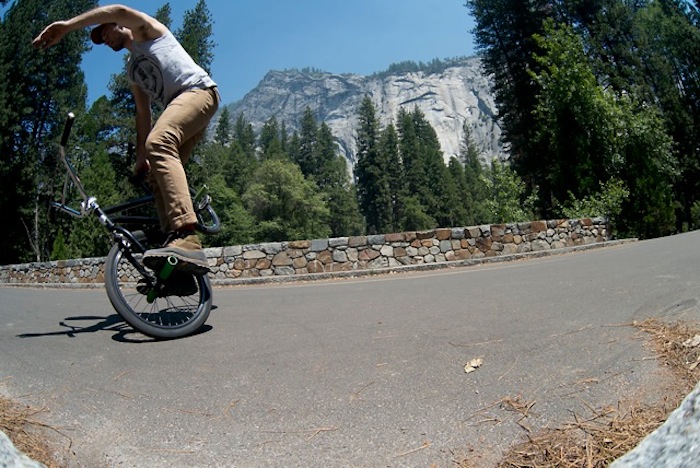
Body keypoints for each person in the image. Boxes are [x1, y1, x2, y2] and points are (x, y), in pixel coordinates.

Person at [33, 4, 219, 275]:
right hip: (181, 110)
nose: (104, 39)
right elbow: (143, 115)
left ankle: (187, 234)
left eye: (105, 30)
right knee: (156, 174)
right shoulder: (134, 71)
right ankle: (178, 263)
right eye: (100, 39)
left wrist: (68, 26)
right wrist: (141, 158)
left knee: (160, 141)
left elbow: (118, 9)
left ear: (118, 24)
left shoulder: (150, 33)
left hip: (198, 92)